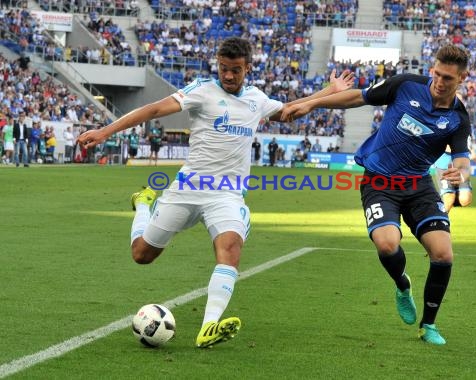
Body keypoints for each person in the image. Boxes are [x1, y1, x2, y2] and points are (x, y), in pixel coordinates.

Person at [77, 37, 354, 349]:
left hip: (227, 194)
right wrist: (105, 131)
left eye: (235, 70)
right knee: (142, 255)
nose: (229, 76)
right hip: (188, 188)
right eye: (224, 68)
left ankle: (209, 326)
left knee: (231, 248)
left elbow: (290, 111)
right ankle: (143, 205)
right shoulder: (202, 89)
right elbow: (154, 109)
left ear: (248, 68)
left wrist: (329, 93)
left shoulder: (256, 98)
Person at [281, 45, 472, 345]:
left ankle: (429, 325)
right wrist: (313, 104)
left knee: (443, 253)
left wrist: (460, 173)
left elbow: (462, 159)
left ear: (462, 78)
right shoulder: (406, 84)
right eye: (437, 73)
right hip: (380, 182)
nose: (439, 81)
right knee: (386, 244)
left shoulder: (459, 118)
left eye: (448, 78)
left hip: (419, 186)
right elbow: (358, 96)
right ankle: (402, 283)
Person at [434, 138, 476, 212]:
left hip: (461, 164)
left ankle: (441, 205)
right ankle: (440, 220)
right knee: (449, 197)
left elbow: (467, 139)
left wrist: (472, 151)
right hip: (445, 163)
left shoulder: (466, 128)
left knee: (465, 200)